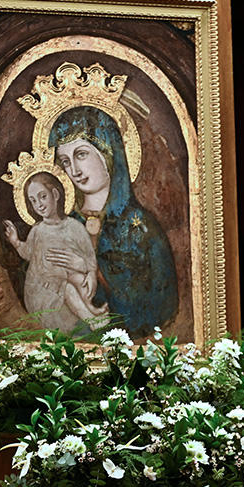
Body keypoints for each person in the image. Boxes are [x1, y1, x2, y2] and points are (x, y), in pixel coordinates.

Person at [48, 105, 179, 340]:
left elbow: (158, 307)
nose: (74, 170)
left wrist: (94, 269)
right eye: (65, 161)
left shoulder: (141, 228)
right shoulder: (62, 226)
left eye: (81, 154)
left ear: (108, 153)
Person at [3, 172, 108, 332]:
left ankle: (92, 310)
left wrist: (91, 272)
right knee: (67, 287)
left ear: (56, 194)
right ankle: (92, 320)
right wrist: (16, 242)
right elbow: (28, 254)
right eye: (33, 201)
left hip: (63, 281)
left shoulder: (75, 227)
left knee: (79, 279)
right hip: (41, 292)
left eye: (42, 196)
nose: (39, 204)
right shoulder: (37, 231)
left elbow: (89, 256)